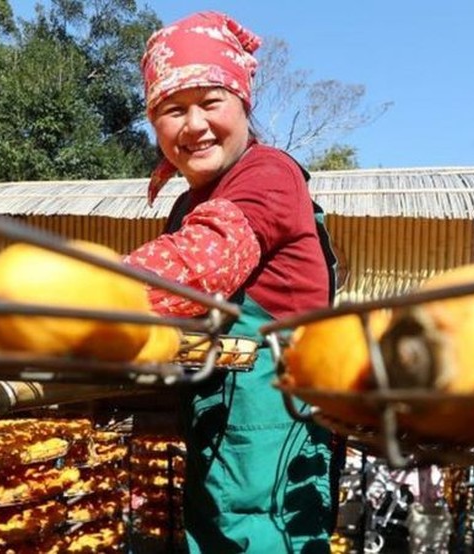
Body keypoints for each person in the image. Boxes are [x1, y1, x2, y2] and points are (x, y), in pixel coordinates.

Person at [124, 11, 342, 553]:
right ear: (155, 125)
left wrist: (83, 299)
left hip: (276, 422)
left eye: (211, 102)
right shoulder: (186, 205)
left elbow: (208, 263)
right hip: (224, 419)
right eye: (173, 110)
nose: (193, 125)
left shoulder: (266, 174)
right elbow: (214, 340)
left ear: (244, 104)